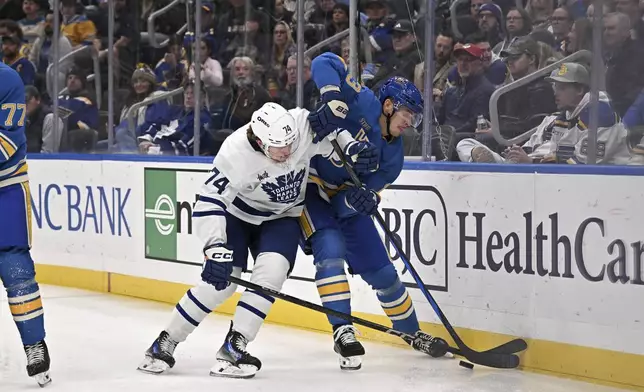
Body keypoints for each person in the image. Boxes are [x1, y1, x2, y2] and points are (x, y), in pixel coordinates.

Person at [137, 102, 378, 378]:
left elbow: (332, 133)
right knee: (221, 285)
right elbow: (208, 201)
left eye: (290, 144)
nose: (287, 152)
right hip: (238, 217)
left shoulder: (299, 126)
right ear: (260, 140)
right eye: (278, 147)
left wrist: (351, 148)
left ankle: (235, 345)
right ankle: (165, 342)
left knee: (271, 276)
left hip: (282, 216)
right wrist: (214, 247)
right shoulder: (234, 153)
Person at [301, 52, 450, 371]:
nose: (410, 122)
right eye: (408, 112)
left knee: (384, 273)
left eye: (414, 117)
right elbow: (324, 61)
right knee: (331, 250)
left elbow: (357, 197)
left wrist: (360, 199)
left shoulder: (393, 159)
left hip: (340, 199)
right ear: (388, 105)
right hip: (310, 186)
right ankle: (343, 331)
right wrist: (331, 98)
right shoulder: (364, 100)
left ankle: (412, 333)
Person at [0, 62, 51, 387]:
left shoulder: (7, 78)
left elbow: (7, 139)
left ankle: (35, 344)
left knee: (15, 266)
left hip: (5, 188)